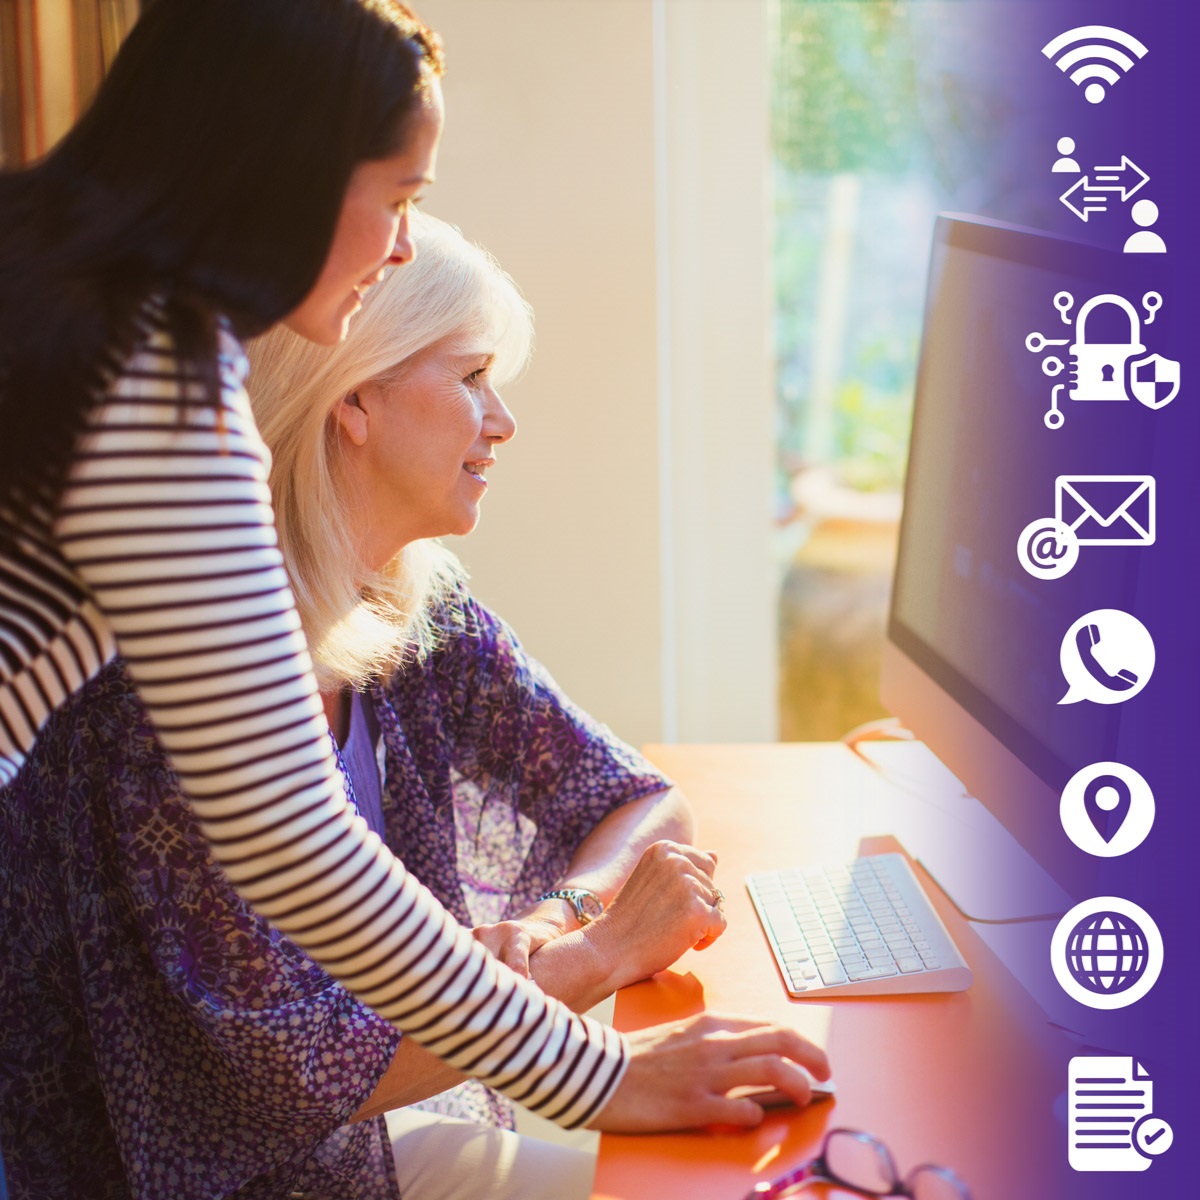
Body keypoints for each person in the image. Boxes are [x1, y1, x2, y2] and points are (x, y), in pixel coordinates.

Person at [0, 0, 825, 1162]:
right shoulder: (152, 384)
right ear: (285, 169)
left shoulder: (60, 297)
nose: (399, 246)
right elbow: (296, 843)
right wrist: (594, 1073)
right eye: (399, 198)